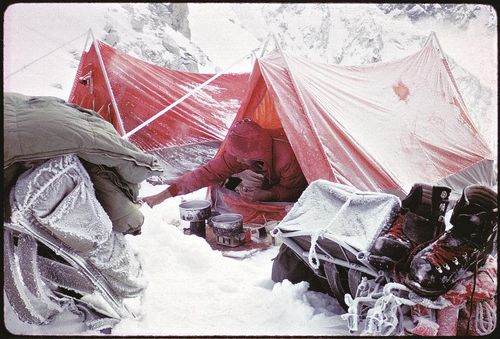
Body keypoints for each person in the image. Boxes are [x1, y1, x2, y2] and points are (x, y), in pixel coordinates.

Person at [143, 119, 308, 207]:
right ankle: (240, 185)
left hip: (291, 180)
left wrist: (270, 194)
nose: (236, 159)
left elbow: (299, 191)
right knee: (226, 181)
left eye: (240, 156)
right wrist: (161, 196)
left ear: (255, 153)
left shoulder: (287, 158)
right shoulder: (242, 155)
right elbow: (204, 175)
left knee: (269, 197)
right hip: (264, 171)